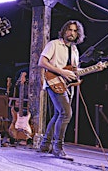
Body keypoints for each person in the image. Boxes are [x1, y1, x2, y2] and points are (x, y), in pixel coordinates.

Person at [37, 20, 87, 160]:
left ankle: (45, 145)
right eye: (69, 30)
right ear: (64, 31)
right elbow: (42, 62)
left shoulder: (75, 50)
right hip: (53, 82)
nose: (72, 33)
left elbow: (74, 71)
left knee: (58, 114)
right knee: (66, 114)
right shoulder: (54, 44)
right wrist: (62, 72)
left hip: (66, 85)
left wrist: (96, 68)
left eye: (75, 31)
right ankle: (57, 148)